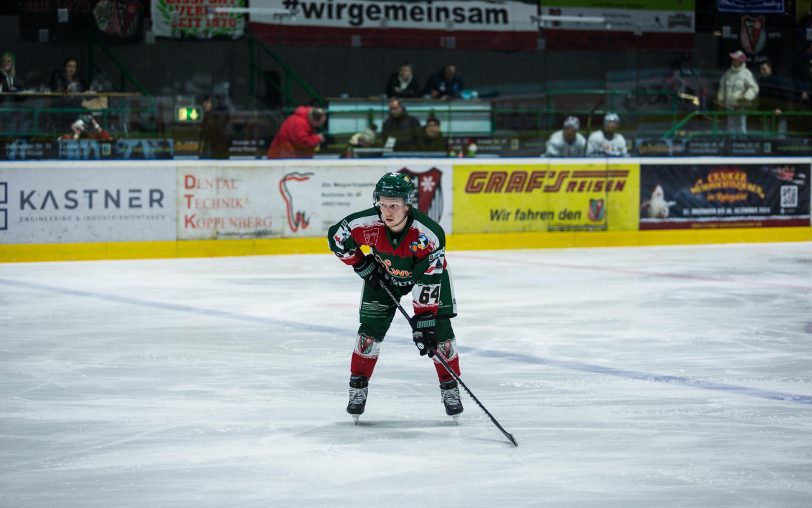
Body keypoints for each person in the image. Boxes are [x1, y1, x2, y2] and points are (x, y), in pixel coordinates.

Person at [327, 172, 463, 422]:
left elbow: (429, 277)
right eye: (383, 204)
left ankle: (450, 387)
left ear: (408, 205)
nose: (387, 211)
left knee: (439, 333)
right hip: (383, 276)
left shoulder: (428, 236)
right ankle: (358, 387)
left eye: (394, 205)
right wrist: (360, 263)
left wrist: (424, 319)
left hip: (426, 277)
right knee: (369, 333)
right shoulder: (366, 224)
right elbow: (337, 239)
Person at [716, 50, 759, 135]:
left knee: (741, 127)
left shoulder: (746, 73)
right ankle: (731, 144)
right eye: (732, 59)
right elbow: (722, 87)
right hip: (729, 105)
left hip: (741, 106)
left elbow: (754, 88)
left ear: (740, 61)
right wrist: (720, 100)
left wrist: (746, 97)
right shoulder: (728, 73)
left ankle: (742, 145)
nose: (732, 61)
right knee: (730, 126)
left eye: (734, 59)